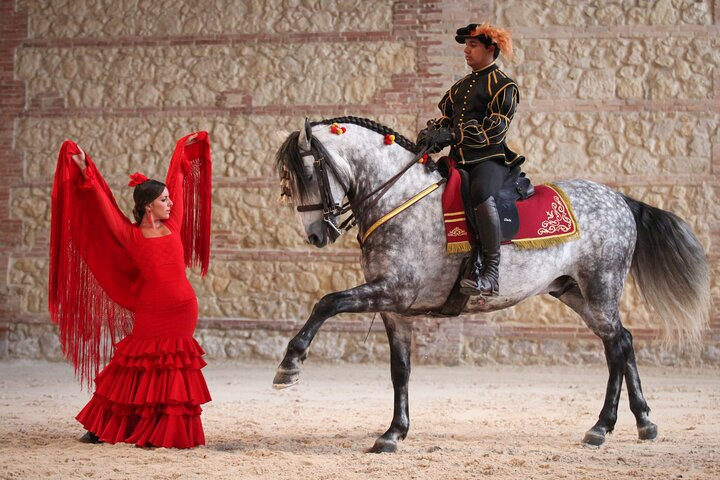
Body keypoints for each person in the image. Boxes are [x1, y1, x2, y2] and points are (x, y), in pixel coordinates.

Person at [49, 132, 213, 448]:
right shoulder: (129, 234)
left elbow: (176, 178)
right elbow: (102, 204)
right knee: (133, 365)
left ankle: (164, 430)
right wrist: (86, 169)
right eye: (164, 200)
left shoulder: (174, 224)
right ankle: (101, 427)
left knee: (172, 368)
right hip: (152, 309)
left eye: (168, 198)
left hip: (183, 309)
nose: (171, 202)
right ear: (148, 206)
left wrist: (181, 148)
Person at [418, 22, 524, 297]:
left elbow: (495, 130)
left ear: (491, 49)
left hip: (489, 159)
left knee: (480, 192)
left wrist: (454, 134)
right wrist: (430, 136)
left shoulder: (504, 86)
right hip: (458, 160)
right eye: (466, 45)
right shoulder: (459, 88)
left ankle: (490, 273)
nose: (466, 50)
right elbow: (445, 119)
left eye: (472, 45)